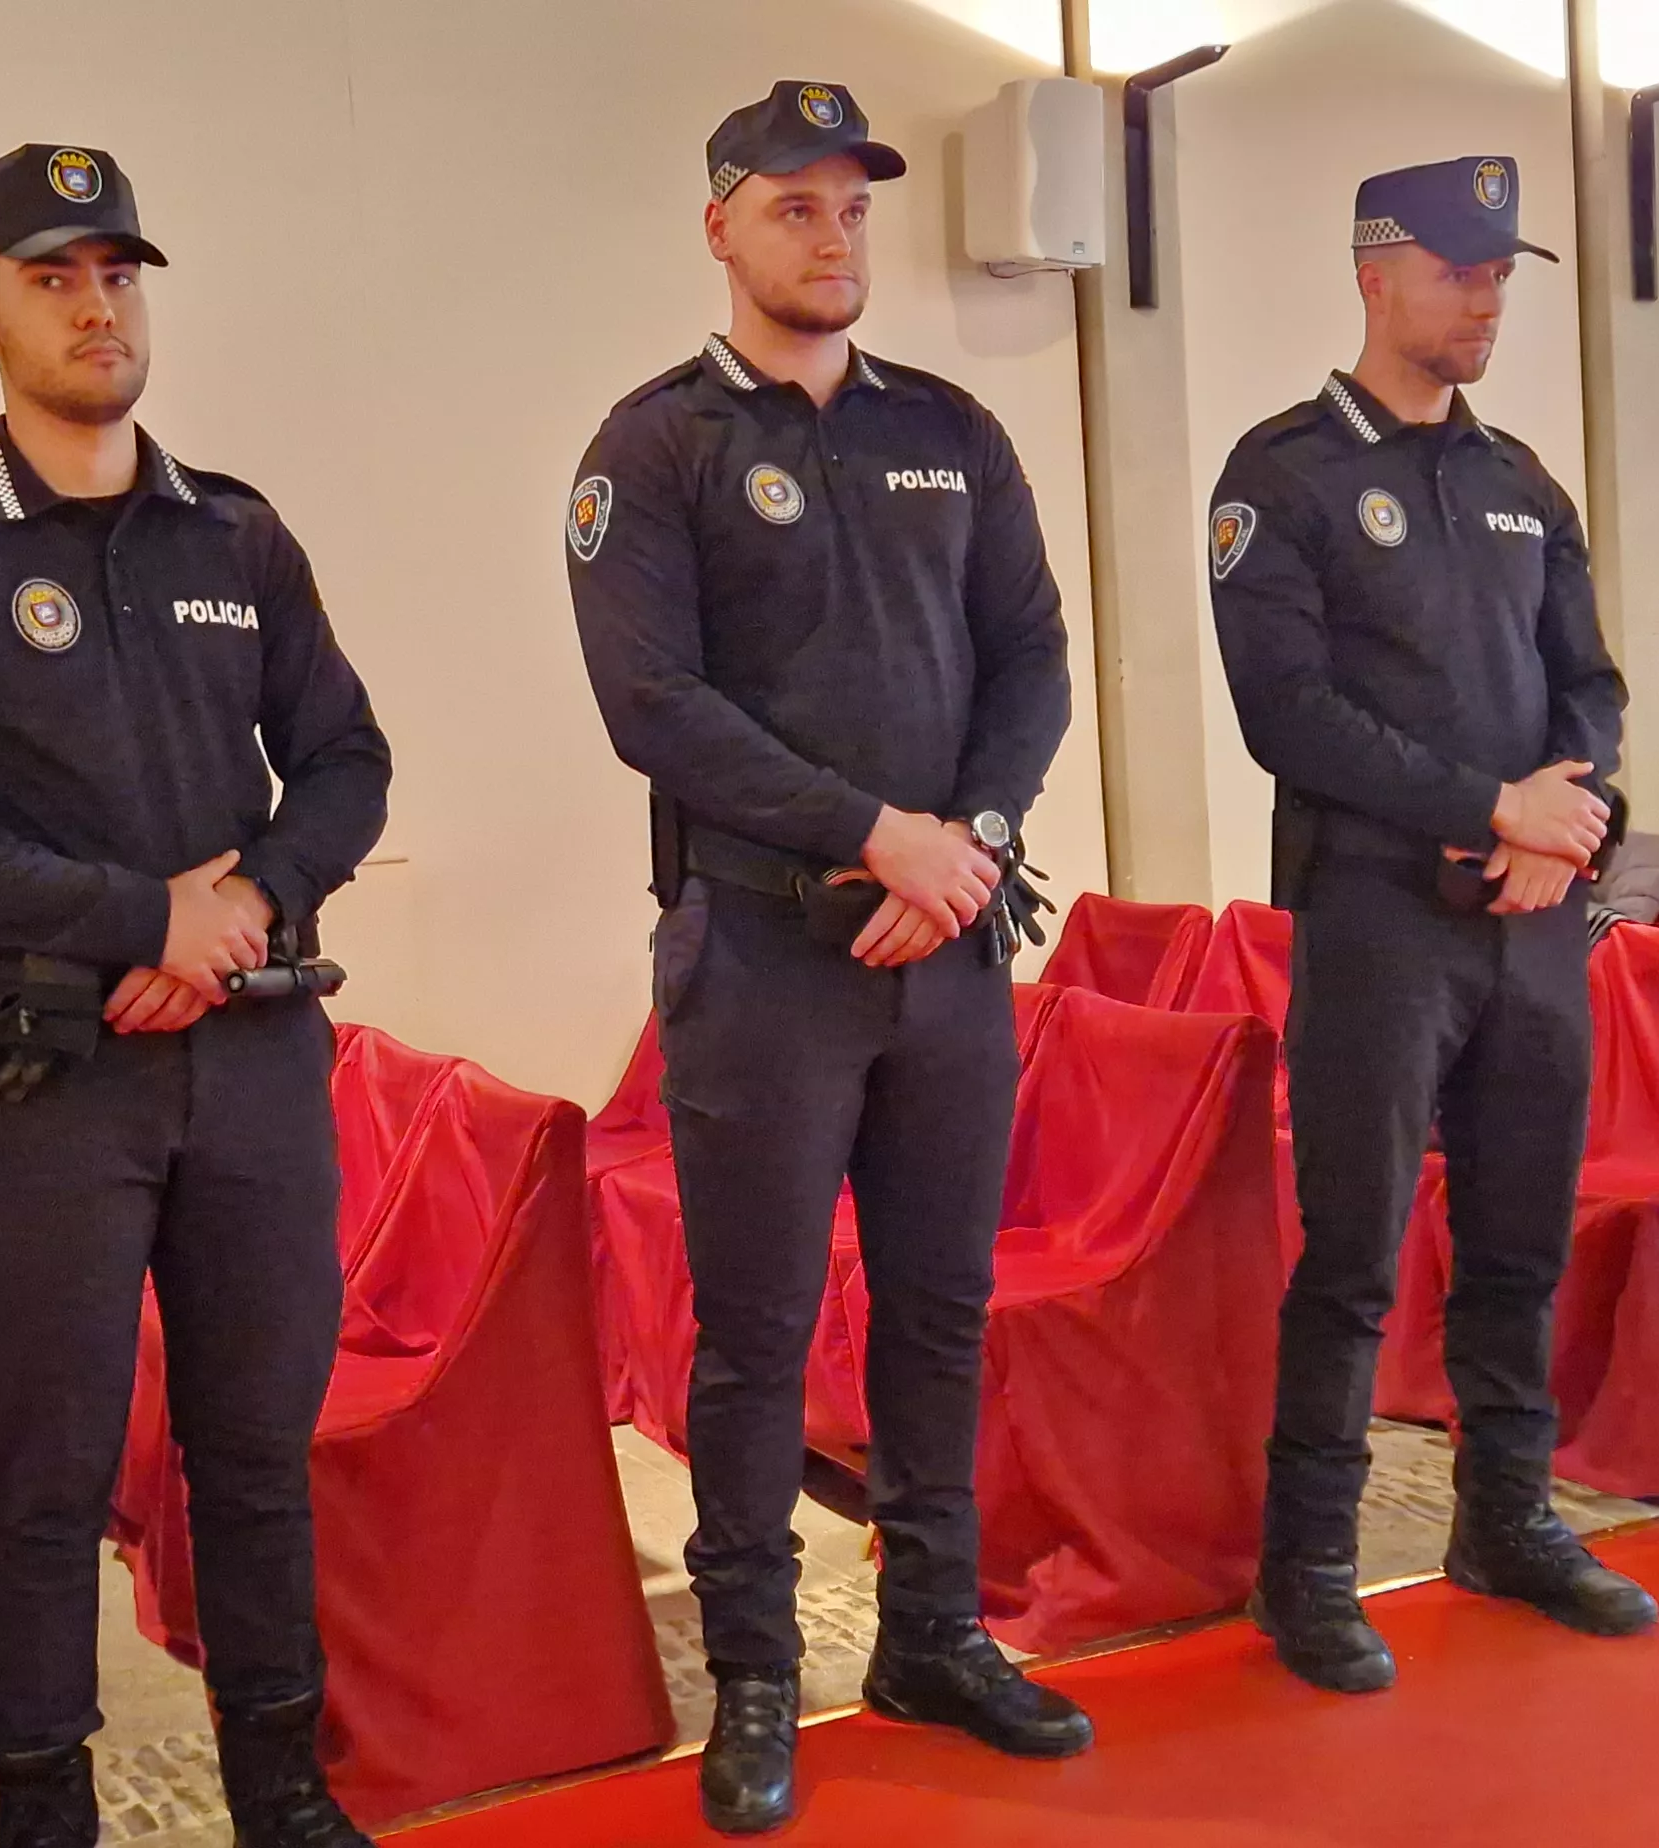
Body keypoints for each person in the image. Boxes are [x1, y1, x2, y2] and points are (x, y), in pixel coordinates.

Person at [0, 144, 390, 1848]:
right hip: (40, 1077)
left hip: (257, 1063)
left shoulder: (237, 530)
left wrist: (251, 904)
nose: (95, 305)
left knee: (259, 1452)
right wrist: (144, 916)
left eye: (119, 273)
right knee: (50, 1472)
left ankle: (283, 1784)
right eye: (55, 276)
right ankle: (41, 1802)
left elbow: (348, 761)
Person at [565, 79, 1090, 1837]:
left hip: (948, 946)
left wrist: (976, 845)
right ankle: (761, 1674)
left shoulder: (948, 425)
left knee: (944, 1311)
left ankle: (933, 1631)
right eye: (794, 205)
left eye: (854, 203)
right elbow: (658, 706)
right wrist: (881, 834)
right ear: (720, 226)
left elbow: (1030, 657)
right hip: (768, 958)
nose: (834, 230)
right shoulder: (653, 449)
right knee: (759, 1336)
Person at [1203, 155, 1648, 1696]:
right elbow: (1291, 716)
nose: (1488, 299)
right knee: (1355, 1254)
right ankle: (1309, 1567)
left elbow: (1590, 681)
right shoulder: (1286, 477)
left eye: (1501, 275)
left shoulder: (1523, 480)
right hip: (1382, 919)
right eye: (1462, 272)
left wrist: (1564, 820)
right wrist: (1487, 807)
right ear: (1375, 271)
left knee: (1522, 1242)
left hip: (1534, 922)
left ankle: (1507, 1520)